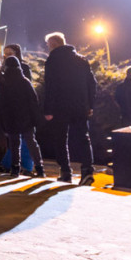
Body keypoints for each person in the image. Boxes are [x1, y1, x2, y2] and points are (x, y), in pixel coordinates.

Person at [42, 32, 96, 186]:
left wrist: (48, 110)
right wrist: (90, 105)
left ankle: (65, 171)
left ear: (53, 44)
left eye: (48, 45)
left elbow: (51, 87)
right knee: (83, 138)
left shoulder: (52, 61)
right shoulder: (81, 60)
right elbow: (92, 84)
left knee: (60, 139)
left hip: (60, 107)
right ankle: (87, 170)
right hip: (80, 106)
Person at [0, 55, 45, 177]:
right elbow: (34, 101)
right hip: (26, 118)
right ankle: (39, 168)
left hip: (11, 118)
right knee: (31, 142)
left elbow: (1, 103)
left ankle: (15, 168)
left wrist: (3, 121)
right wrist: (36, 119)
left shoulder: (3, 83)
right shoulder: (25, 82)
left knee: (14, 144)